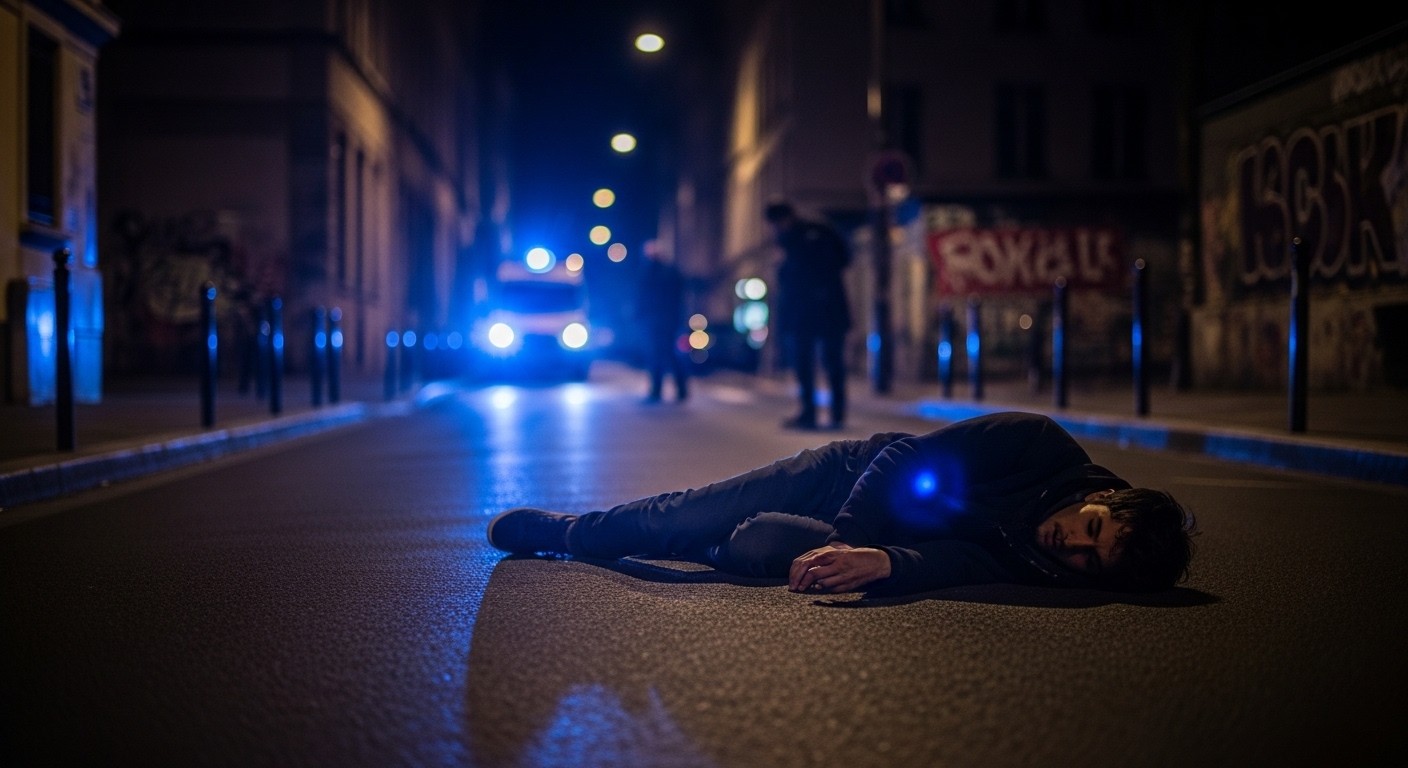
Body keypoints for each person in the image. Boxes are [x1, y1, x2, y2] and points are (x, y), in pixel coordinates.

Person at [487, 411, 1197, 596]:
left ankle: (712, 545)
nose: (1073, 545)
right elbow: (903, 459)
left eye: (1090, 560)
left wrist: (885, 563)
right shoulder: (1035, 444)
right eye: (1091, 528)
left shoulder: (1052, 571)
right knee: (687, 514)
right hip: (846, 478)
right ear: (1103, 496)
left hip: (864, 533)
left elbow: (961, 563)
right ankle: (573, 531)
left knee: (757, 545)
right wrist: (848, 538)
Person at [764, 200, 852, 430]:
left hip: (821, 309)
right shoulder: (792, 239)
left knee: (829, 361)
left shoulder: (811, 235)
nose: (775, 228)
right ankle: (816, 412)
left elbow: (839, 261)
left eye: (776, 223)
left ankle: (831, 413)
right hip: (812, 311)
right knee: (808, 363)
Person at [636, 247, 689, 402]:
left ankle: (658, 389)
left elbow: (643, 298)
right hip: (668, 321)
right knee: (669, 354)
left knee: (658, 355)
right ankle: (679, 388)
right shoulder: (671, 272)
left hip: (657, 321)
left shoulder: (651, 273)